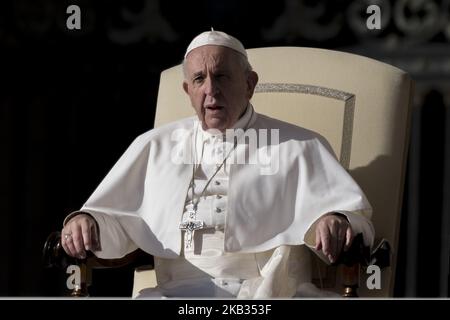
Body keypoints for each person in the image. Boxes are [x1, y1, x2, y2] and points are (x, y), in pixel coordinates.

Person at [61, 30, 374, 298]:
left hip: (265, 293)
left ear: (250, 84)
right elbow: (116, 220)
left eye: (222, 75)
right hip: (173, 295)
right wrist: (87, 220)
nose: (211, 89)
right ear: (188, 91)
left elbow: (355, 218)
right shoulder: (153, 146)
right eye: (199, 79)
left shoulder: (299, 145)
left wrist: (336, 220)